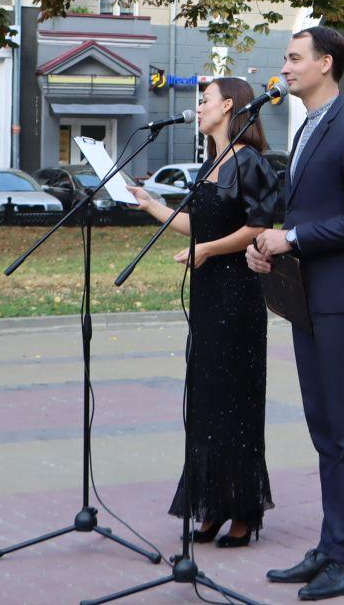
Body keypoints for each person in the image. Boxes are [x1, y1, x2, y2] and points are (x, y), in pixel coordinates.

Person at [246, 25, 344, 601]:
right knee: (322, 425)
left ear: (326, 63)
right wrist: (270, 249)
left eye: (294, 57)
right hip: (311, 297)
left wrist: (293, 239)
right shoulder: (307, 126)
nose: (284, 67)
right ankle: (330, 546)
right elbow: (299, 215)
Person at [128, 76, 280, 548]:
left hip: (238, 296)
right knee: (208, 400)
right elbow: (199, 224)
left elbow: (259, 225)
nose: (197, 108)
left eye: (205, 100)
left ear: (228, 105)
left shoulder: (249, 162)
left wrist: (209, 251)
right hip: (209, 294)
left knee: (235, 402)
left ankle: (242, 513)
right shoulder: (210, 164)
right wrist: (152, 205)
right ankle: (211, 506)